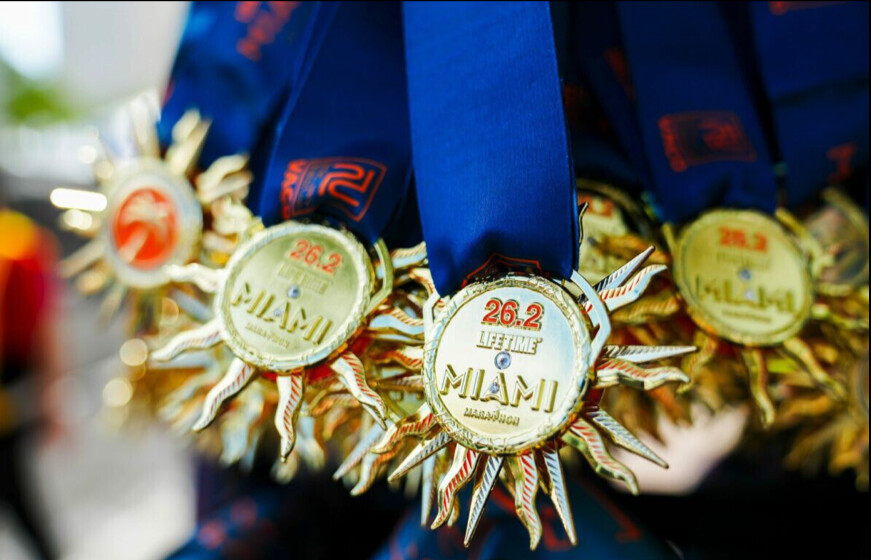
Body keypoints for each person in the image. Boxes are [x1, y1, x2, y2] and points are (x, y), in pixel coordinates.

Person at [1, 192, 63, 560]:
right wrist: (52, 393)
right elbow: (47, 327)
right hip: (15, 381)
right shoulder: (25, 241)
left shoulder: (20, 245)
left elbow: (43, 327)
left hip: (11, 386)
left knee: (14, 491)